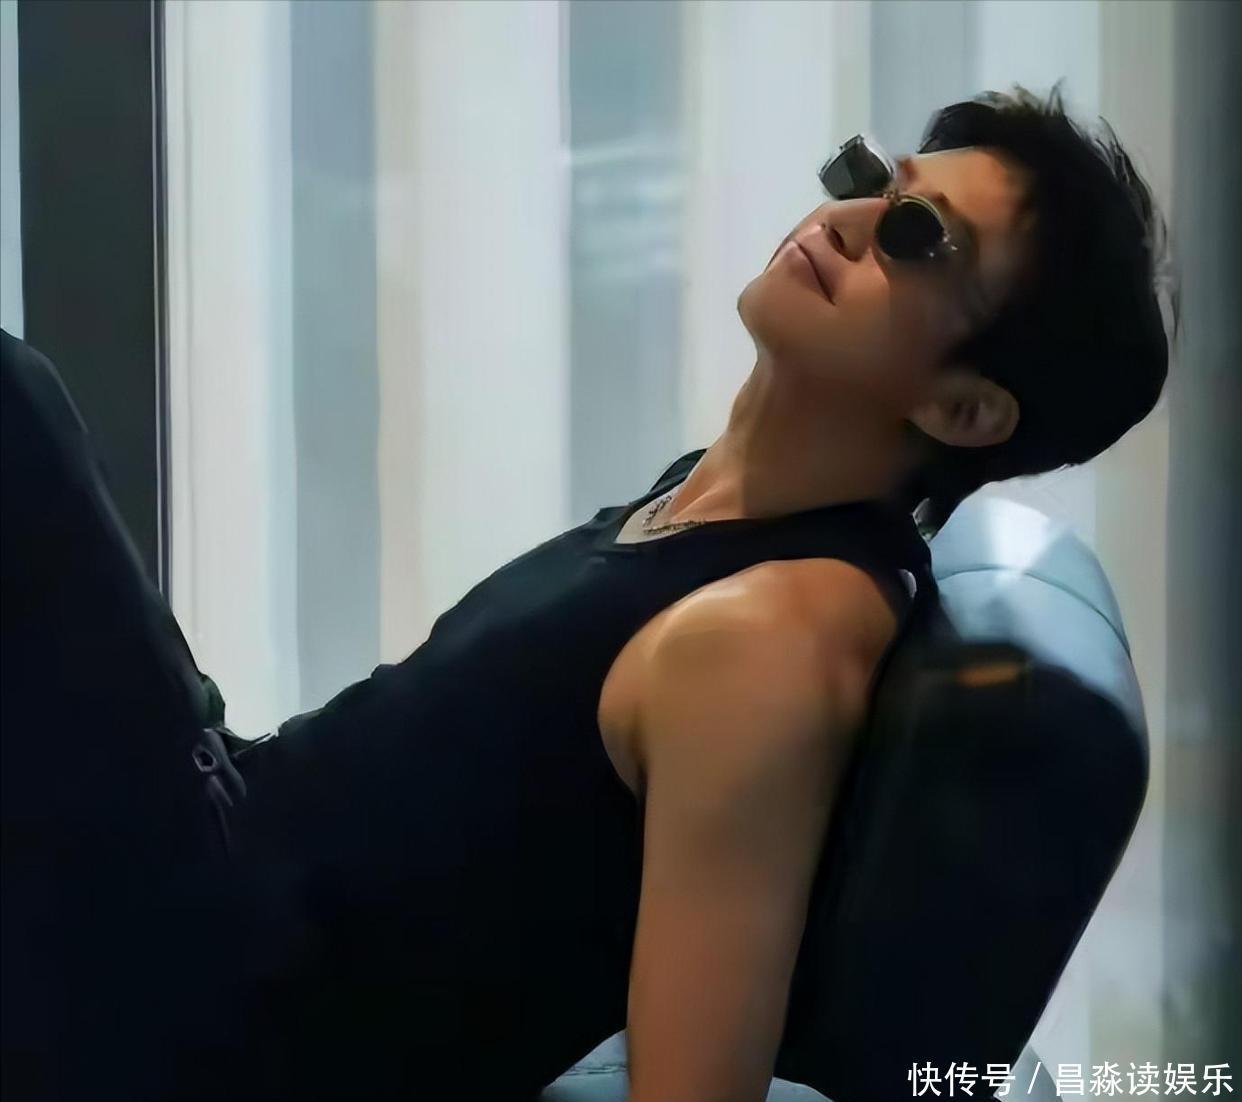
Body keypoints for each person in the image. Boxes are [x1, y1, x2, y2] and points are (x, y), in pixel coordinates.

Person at [0, 83, 1175, 1102]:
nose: (847, 218)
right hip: (226, 857)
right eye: (876, 180)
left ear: (963, 409)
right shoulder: (722, 498)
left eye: (917, 236)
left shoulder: (770, 640)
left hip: (200, 1006)